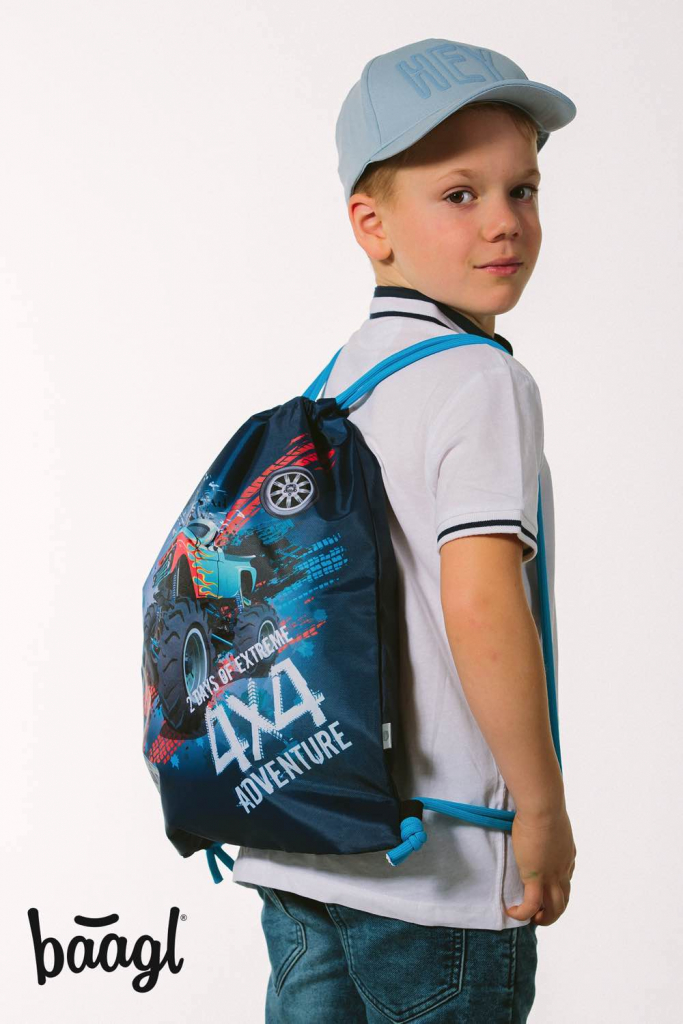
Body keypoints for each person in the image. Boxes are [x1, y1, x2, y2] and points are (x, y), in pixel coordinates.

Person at [232, 36, 578, 1022]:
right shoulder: (479, 378)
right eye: (459, 194)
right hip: (441, 862)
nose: (504, 221)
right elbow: (480, 602)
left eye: (522, 190)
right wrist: (539, 808)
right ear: (371, 224)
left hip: (305, 835)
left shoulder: (337, 381)